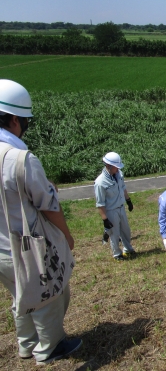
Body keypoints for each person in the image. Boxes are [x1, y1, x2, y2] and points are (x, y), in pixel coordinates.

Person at [0, 79, 82, 365]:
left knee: (21, 295)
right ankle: (51, 347)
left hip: (1, 251)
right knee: (51, 293)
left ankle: (26, 345)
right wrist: (66, 235)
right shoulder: (19, 158)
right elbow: (48, 205)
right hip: (25, 246)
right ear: (13, 119)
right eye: (23, 121)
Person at [94, 152, 136, 261]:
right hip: (111, 211)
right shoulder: (100, 183)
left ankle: (128, 249)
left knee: (126, 230)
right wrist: (105, 219)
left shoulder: (119, 174)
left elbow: (123, 187)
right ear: (108, 166)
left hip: (121, 207)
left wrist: (128, 200)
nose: (117, 169)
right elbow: (100, 203)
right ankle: (117, 254)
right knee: (115, 233)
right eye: (116, 167)